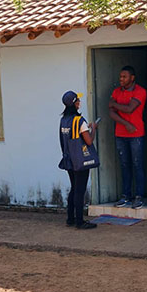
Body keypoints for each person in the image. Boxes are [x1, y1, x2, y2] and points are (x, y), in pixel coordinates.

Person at [108, 65, 147, 209]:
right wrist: (126, 124)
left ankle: (139, 196)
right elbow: (111, 113)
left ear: (132, 78)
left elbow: (130, 108)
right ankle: (126, 195)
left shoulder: (140, 91)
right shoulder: (116, 91)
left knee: (137, 165)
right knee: (125, 165)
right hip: (121, 133)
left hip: (136, 134)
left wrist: (114, 104)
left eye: (124, 77)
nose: (121, 79)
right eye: (120, 77)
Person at [59, 90, 98, 230]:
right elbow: (88, 141)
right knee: (80, 191)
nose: (79, 102)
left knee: (74, 188)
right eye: (78, 100)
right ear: (75, 103)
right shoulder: (79, 120)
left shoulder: (64, 120)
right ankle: (80, 221)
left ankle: (70, 218)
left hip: (69, 159)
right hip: (80, 160)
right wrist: (93, 129)